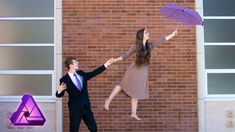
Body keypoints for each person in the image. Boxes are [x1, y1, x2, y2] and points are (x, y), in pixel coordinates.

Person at [104, 28, 177, 120]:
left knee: (137, 91)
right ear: (141, 35)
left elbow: (161, 40)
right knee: (122, 84)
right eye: (146, 32)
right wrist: (115, 59)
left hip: (143, 71)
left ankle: (133, 113)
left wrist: (172, 34)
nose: (148, 33)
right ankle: (108, 100)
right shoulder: (136, 46)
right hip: (134, 69)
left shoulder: (149, 46)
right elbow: (126, 55)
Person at [56, 57, 116, 132]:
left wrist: (106, 64)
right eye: (75, 62)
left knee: (94, 129)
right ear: (71, 65)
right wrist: (59, 91)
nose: (78, 63)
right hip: (75, 109)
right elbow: (59, 95)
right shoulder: (64, 79)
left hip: (86, 107)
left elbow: (93, 73)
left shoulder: (81, 73)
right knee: (74, 130)